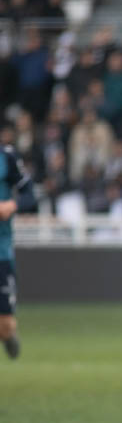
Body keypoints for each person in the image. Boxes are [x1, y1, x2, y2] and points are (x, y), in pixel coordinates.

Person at [0, 144, 36, 359]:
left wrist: (11, 206)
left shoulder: (7, 157)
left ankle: (8, 333)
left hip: (1, 253)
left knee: (5, 325)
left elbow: (30, 195)